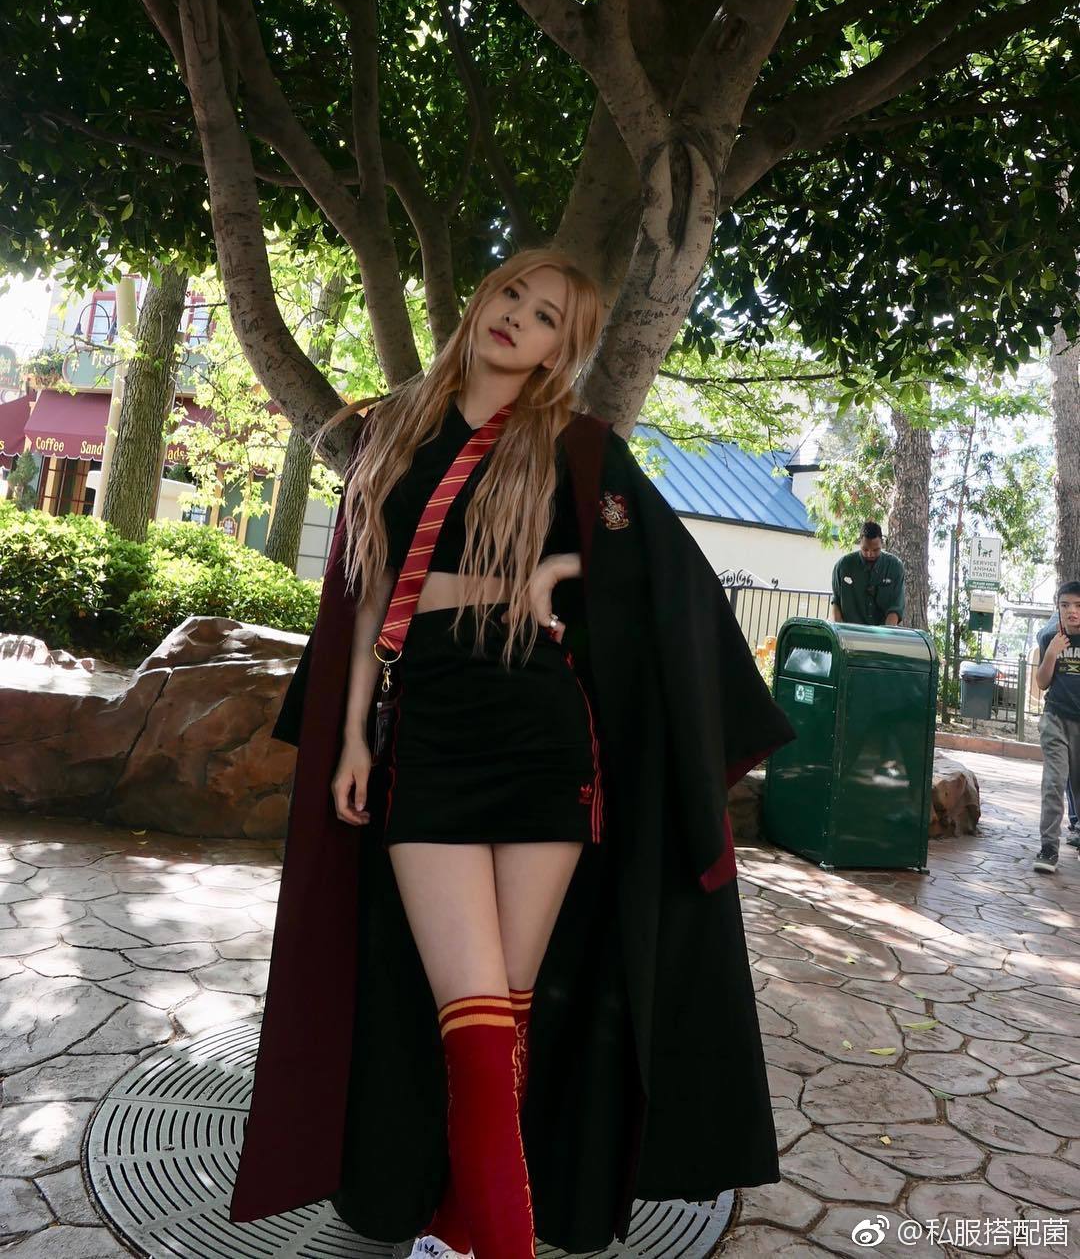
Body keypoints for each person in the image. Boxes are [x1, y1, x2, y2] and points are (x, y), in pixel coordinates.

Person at [228, 249, 794, 1259]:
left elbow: (672, 582)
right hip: (430, 738)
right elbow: (365, 599)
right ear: (483, 297)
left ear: (557, 353)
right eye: (512, 296)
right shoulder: (388, 430)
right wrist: (352, 735)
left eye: (544, 319)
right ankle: (500, 1243)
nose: (517, 319)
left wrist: (566, 567)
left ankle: (461, 1230)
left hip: (545, 737)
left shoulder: (576, 448)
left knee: (505, 1026)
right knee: (477, 1029)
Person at [1033, 582, 1080, 874]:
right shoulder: (1050, 636)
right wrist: (1051, 652)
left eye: (1078, 605)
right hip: (1055, 719)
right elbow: (1041, 683)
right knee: (1053, 783)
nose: (1072, 611)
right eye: (1065, 605)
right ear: (1058, 608)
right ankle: (1048, 847)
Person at [831, 520, 906, 627]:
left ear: (882, 543)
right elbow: (836, 603)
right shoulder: (843, 566)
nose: (870, 554)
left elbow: (895, 607)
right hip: (849, 631)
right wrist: (838, 630)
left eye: (876, 550)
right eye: (865, 549)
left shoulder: (895, 567)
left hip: (883, 632)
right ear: (859, 543)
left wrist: (887, 633)